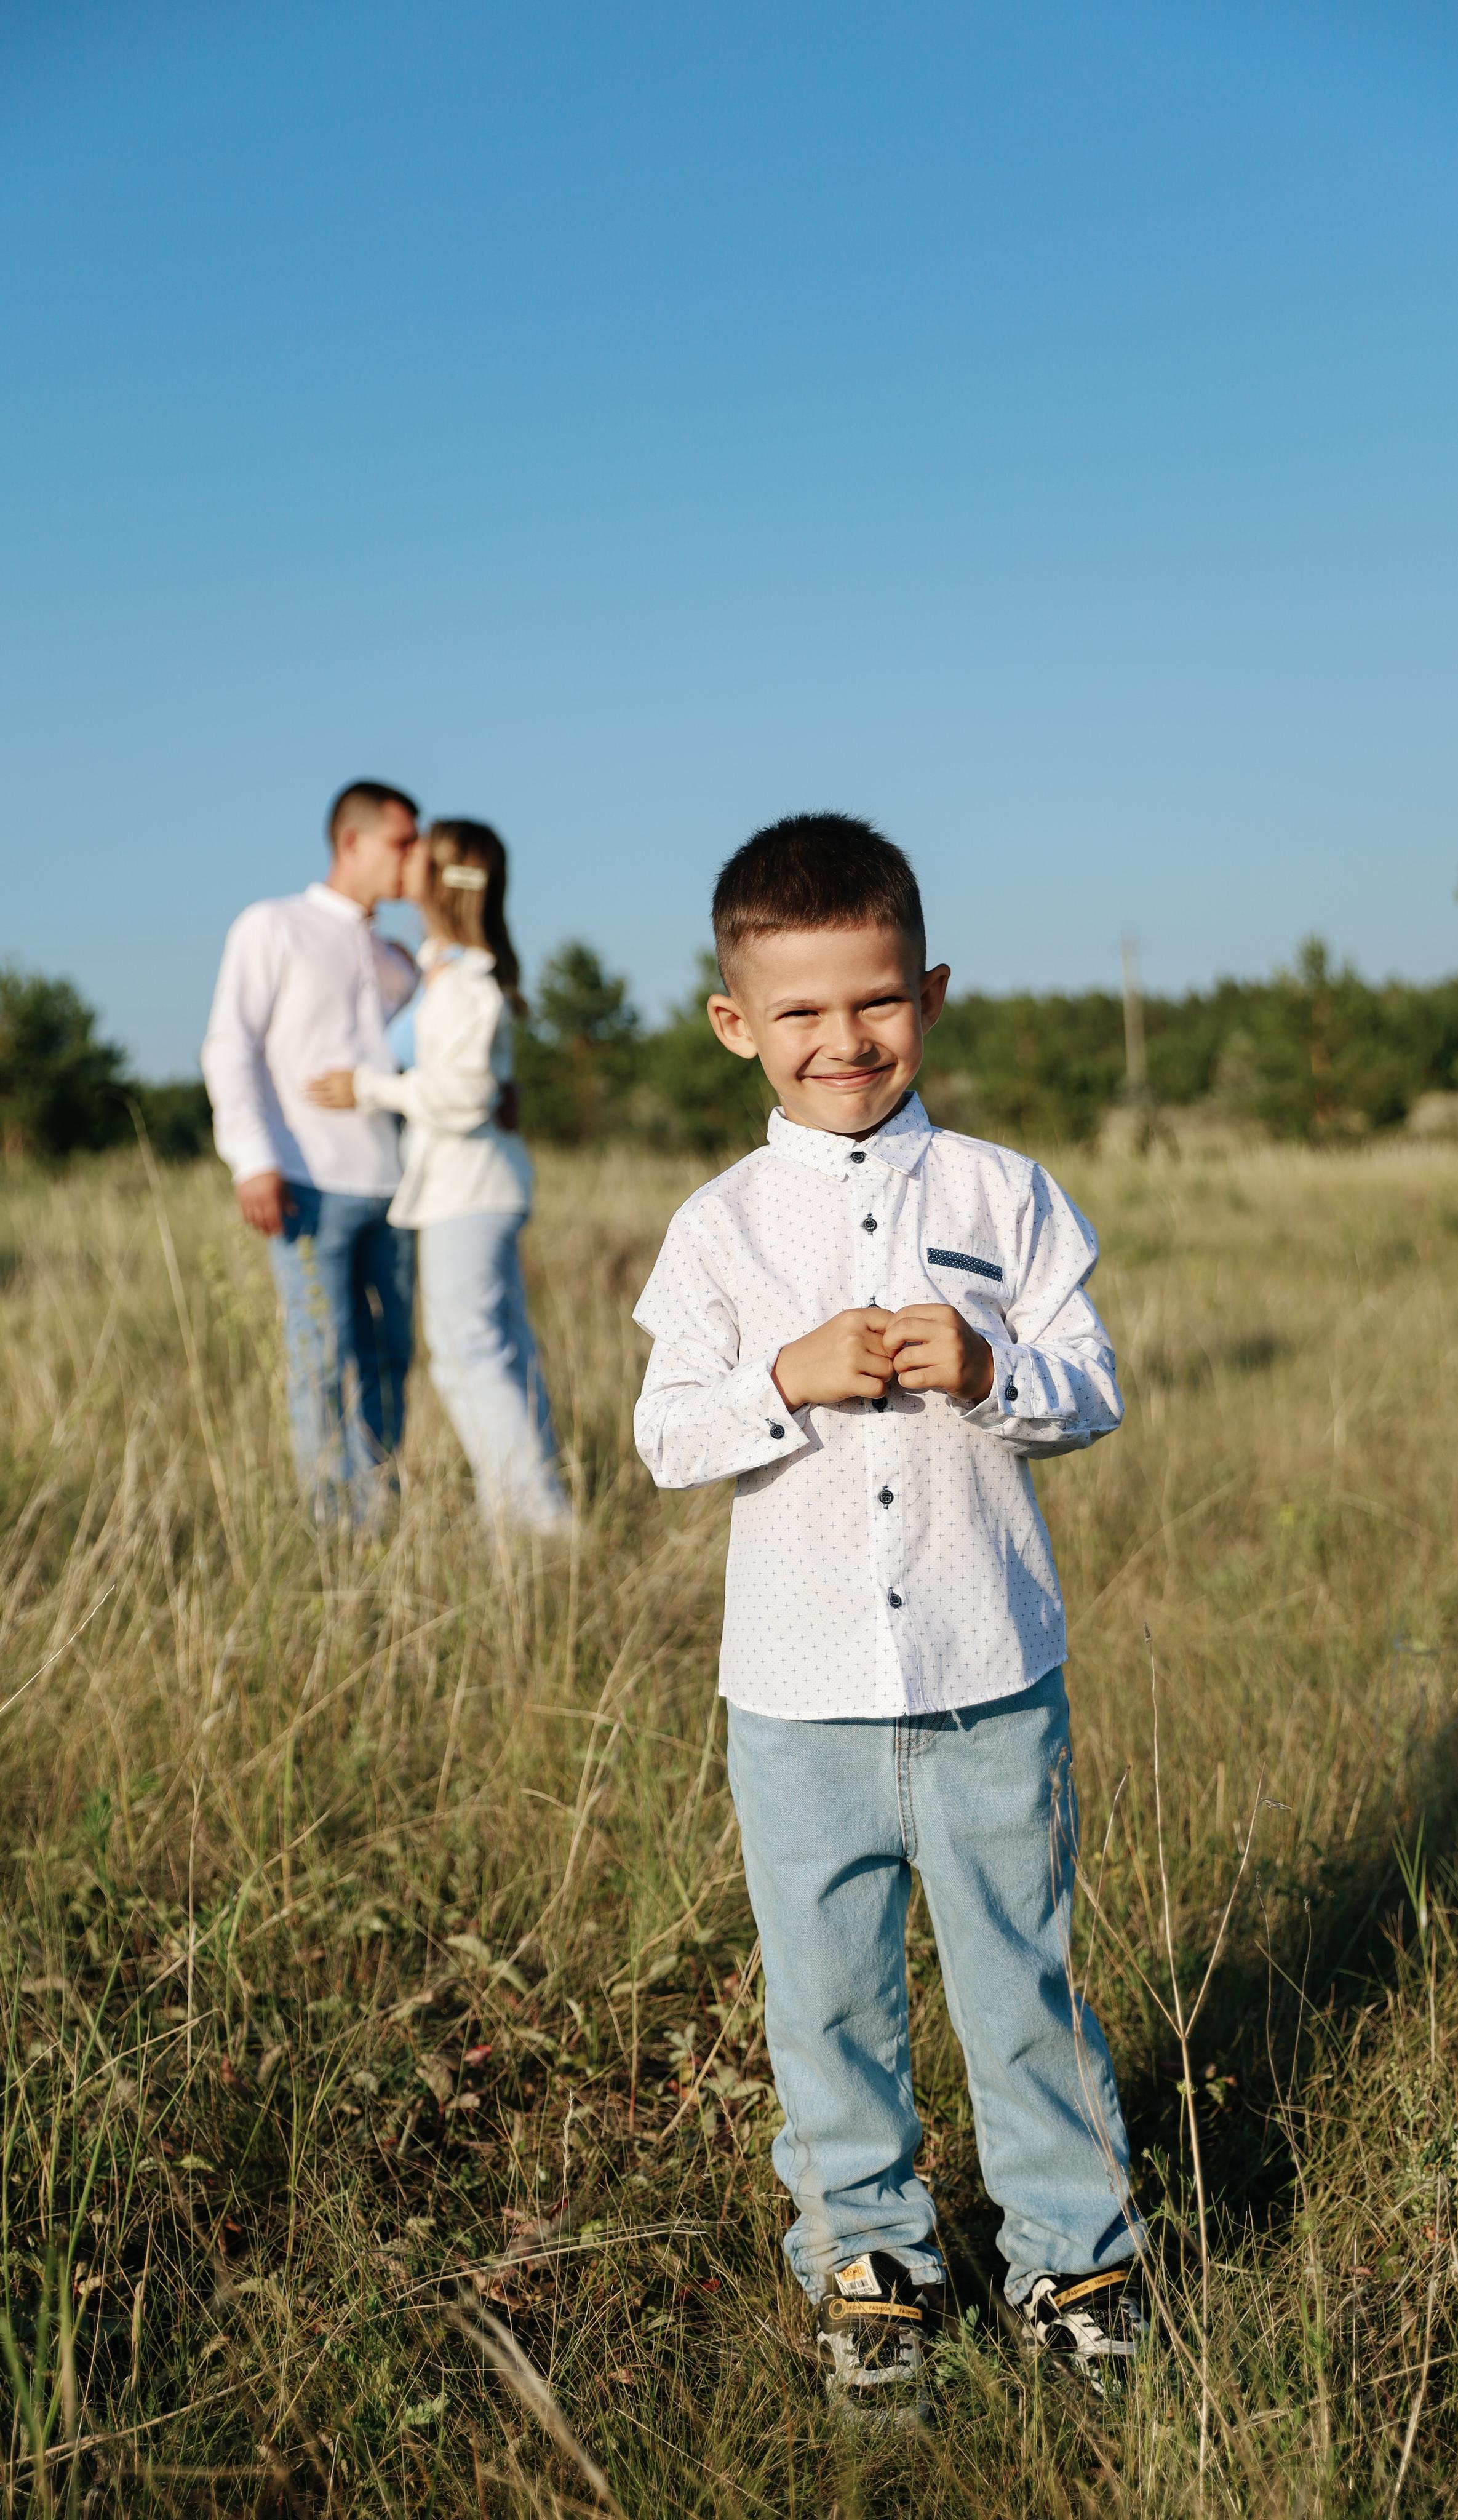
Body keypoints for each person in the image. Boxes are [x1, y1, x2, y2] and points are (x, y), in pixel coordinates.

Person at [632, 813, 1145, 2416]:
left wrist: (993, 1370)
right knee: (828, 1997)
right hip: (797, 1700)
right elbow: (665, 1438)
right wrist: (784, 1379)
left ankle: (1074, 2256)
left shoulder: (1004, 1192)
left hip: (990, 1672)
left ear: (928, 993)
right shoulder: (720, 1227)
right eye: (799, 1010)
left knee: (1020, 1978)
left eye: (874, 1000)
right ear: (736, 1023)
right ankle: (870, 2260)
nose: (842, 1039)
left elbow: (1092, 1389)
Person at [306, 820, 571, 1537]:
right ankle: (531, 1509)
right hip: (468, 1187)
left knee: (467, 1355)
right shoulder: (443, 968)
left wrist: (368, 1088)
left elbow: (466, 1094)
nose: (407, 856)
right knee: (495, 1348)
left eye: (419, 850)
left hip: (468, 1190)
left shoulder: (464, 982)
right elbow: (487, 1082)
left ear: (441, 877)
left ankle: (533, 1517)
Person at [201, 781, 420, 1521]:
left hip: (396, 1185)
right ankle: (332, 1523)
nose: (414, 857)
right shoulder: (274, 924)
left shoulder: (397, 957)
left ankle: (380, 1509)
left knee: (391, 1353)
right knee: (320, 1356)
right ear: (352, 842)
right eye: (402, 842)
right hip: (305, 1181)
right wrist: (252, 1158)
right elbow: (230, 1044)